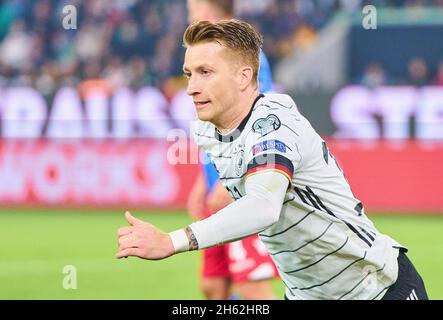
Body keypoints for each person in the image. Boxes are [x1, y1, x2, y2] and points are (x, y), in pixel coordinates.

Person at [116, 19, 428, 300]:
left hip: (376, 288)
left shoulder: (273, 122)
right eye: (189, 74)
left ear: (243, 77)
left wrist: (173, 241)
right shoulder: (207, 132)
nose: (192, 88)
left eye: (205, 73)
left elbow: (263, 207)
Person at [185, 0, 277, 300]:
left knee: (252, 287)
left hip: (239, 191)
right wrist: (203, 181)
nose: (190, 17)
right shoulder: (209, 57)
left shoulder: (243, 58)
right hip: (218, 187)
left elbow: (255, 119)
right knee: (214, 287)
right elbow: (218, 130)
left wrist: (233, 180)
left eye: (193, 10)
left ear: (210, 12)